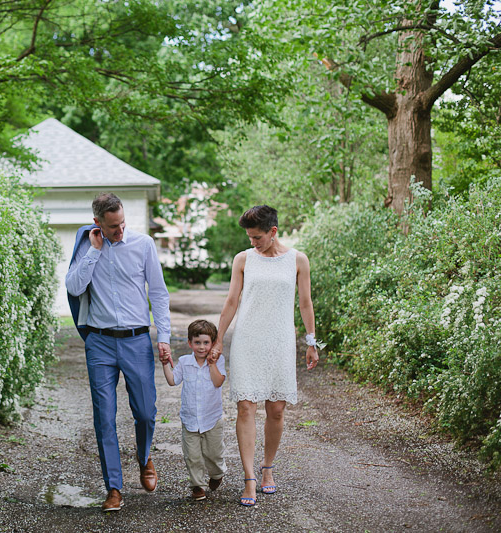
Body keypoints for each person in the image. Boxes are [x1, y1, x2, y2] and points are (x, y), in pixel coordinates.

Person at [65, 192, 173, 512]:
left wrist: (163, 337)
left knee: (145, 412)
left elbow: (159, 293)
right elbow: (73, 287)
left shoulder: (143, 245)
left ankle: (144, 457)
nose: (120, 230)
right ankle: (113, 487)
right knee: (104, 418)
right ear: (97, 222)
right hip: (99, 343)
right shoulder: (87, 246)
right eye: (113, 226)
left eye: (122, 222)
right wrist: (95, 252)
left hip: (137, 341)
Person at [209, 205, 320, 507]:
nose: (252, 242)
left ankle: (267, 467)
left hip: (280, 341)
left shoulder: (298, 260)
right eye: (249, 237)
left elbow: (306, 303)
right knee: (246, 407)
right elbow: (232, 300)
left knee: (277, 409)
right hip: (247, 339)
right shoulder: (243, 260)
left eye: (257, 237)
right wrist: (218, 340)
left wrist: (311, 341)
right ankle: (249, 478)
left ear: (273, 232)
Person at [160, 319, 227, 502]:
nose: (201, 347)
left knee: (213, 453)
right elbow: (172, 381)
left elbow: (218, 382)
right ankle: (197, 485)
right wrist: (166, 363)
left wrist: (212, 363)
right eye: (197, 342)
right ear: (190, 343)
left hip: (212, 418)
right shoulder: (185, 362)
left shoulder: (218, 361)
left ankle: (216, 474)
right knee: (193, 456)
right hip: (190, 418)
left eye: (206, 343)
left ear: (212, 343)